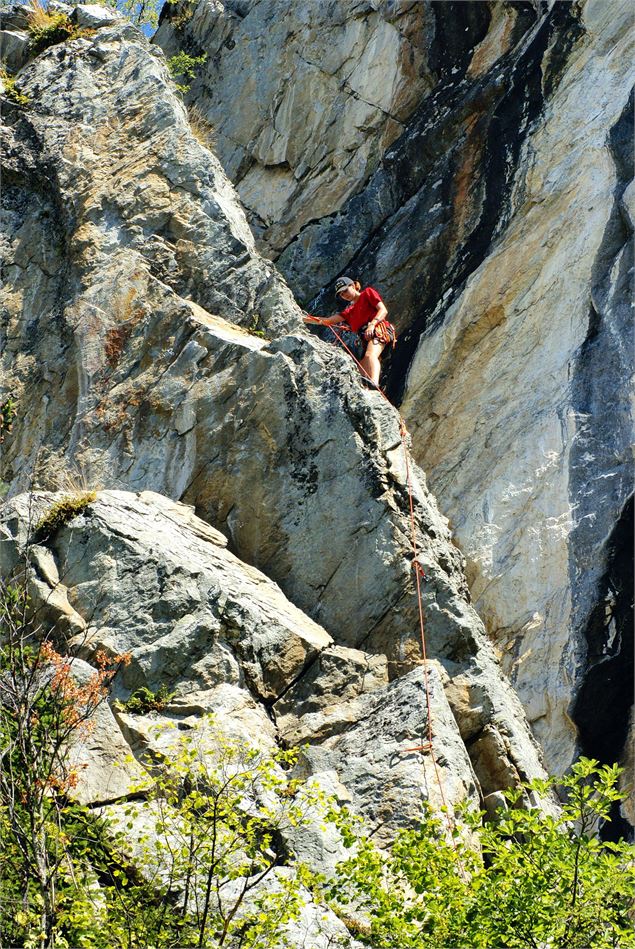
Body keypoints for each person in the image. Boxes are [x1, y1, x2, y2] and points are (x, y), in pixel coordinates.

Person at [303, 277, 396, 388]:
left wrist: (372, 325)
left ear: (352, 286)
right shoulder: (349, 312)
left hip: (379, 331)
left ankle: (375, 383)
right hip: (367, 338)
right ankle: (368, 391)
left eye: (345, 290)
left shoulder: (367, 293)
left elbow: (383, 310)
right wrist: (303, 318)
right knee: (360, 370)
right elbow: (327, 321)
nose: (344, 295)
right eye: (341, 294)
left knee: (370, 355)